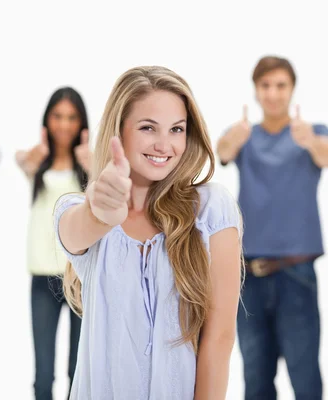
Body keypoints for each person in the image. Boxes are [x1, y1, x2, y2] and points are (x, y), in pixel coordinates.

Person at [54, 66, 243, 399]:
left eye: (176, 129)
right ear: (119, 132)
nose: (164, 144)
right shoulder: (78, 210)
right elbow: (76, 231)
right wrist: (101, 215)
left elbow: (220, 337)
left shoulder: (212, 210)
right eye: (147, 128)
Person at [217, 55, 328, 400]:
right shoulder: (244, 136)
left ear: (292, 89)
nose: (273, 93)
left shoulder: (313, 133)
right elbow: (220, 152)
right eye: (265, 86)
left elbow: (325, 155)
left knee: (305, 374)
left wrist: (308, 140)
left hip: (296, 273)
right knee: (255, 378)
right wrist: (232, 140)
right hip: (248, 276)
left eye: (280, 85)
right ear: (256, 90)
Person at [16, 87, 91, 400]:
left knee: (79, 371)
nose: (64, 124)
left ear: (81, 123)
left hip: (81, 278)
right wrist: (34, 158)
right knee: (43, 375)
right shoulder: (37, 163)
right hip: (43, 279)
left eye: (71, 117)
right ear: (48, 120)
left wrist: (92, 164)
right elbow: (22, 161)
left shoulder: (90, 163)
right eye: (58, 116)